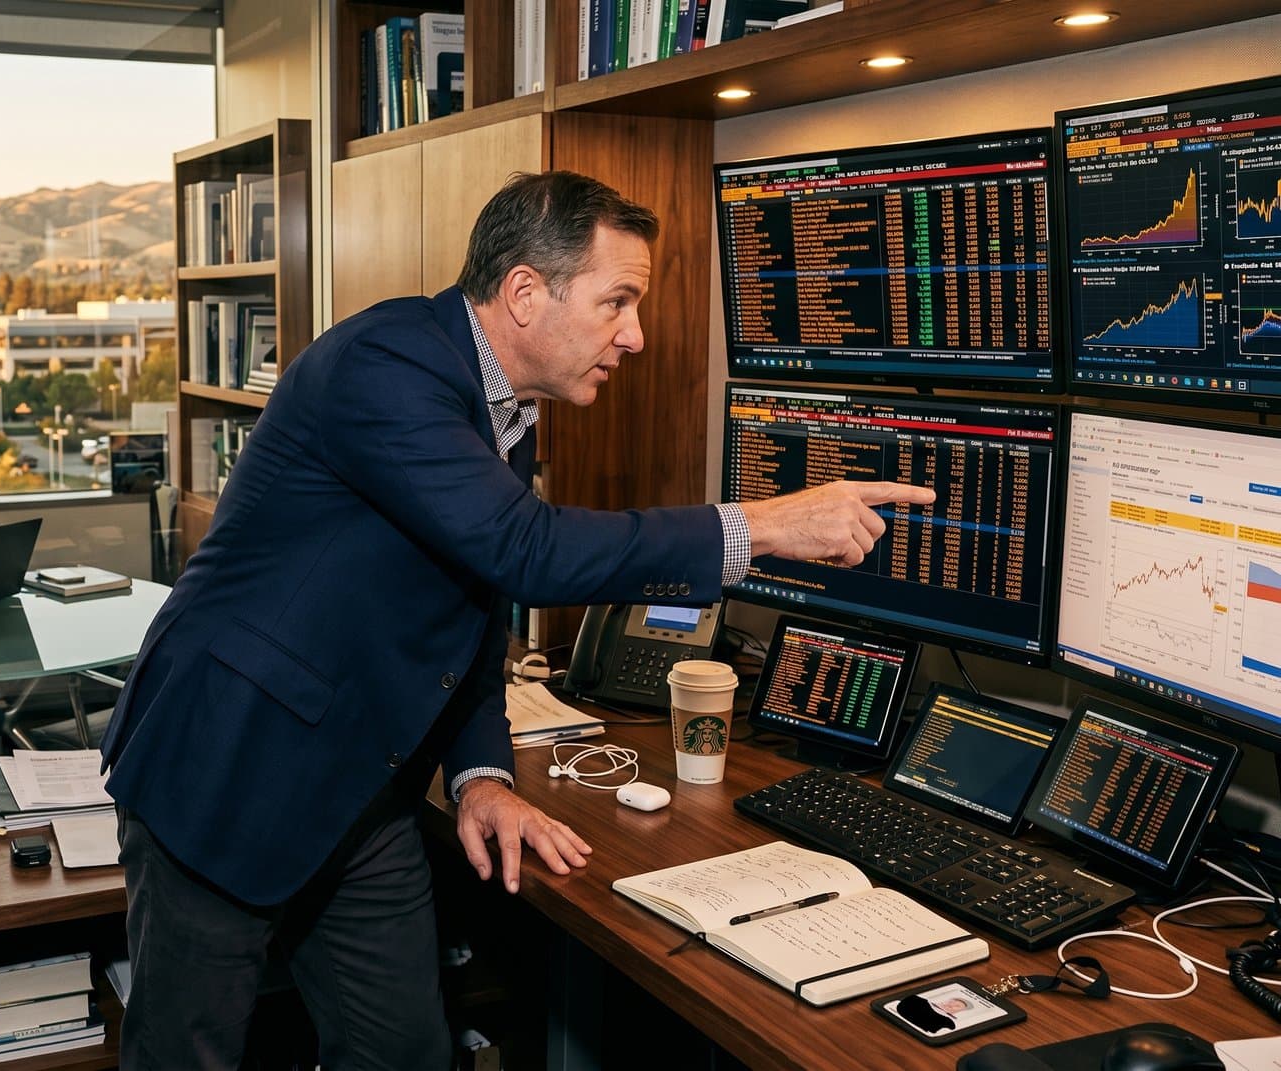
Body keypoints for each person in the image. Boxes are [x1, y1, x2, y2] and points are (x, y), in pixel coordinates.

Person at [99, 170, 938, 1070]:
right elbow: (522, 551)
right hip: (231, 763)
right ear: (526, 292)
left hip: (359, 785)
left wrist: (482, 775)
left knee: (405, 1054)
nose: (637, 334)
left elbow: (468, 608)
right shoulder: (386, 367)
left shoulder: (502, 403)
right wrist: (762, 524)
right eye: (617, 300)